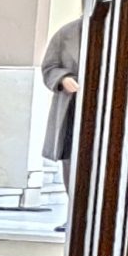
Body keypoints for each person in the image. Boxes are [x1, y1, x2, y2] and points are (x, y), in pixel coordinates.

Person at [44, 14, 82, 228]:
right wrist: (63, 78)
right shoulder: (67, 32)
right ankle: (76, 215)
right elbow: (49, 67)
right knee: (72, 160)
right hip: (73, 108)